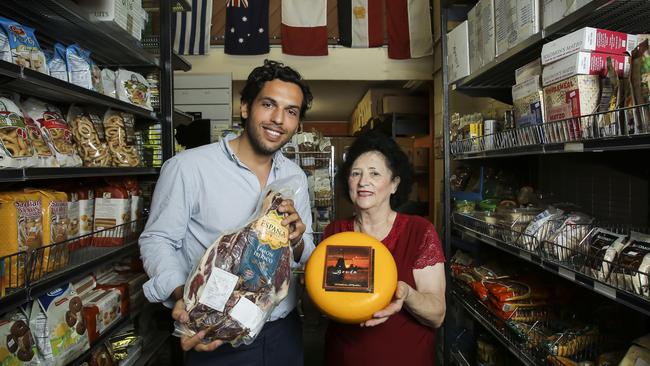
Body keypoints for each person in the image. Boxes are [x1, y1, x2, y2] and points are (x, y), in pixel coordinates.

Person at [139, 60, 315, 366]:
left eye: (291, 111)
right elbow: (157, 240)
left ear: (297, 123)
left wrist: (298, 238)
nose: (278, 119)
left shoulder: (295, 177)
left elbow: (305, 252)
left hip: (282, 333)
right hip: (215, 330)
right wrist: (186, 294)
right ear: (246, 107)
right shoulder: (188, 168)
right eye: (268, 104)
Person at [322, 132, 446, 366]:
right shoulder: (334, 233)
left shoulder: (419, 231)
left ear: (394, 184)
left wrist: (405, 293)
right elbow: (323, 304)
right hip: (343, 357)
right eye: (355, 173)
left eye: (374, 173)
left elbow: (437, 315)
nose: (362, 182)